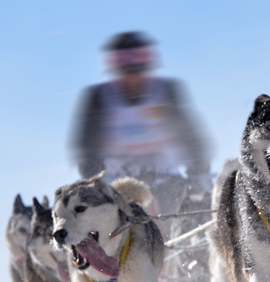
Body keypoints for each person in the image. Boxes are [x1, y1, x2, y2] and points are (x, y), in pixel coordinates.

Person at [69, 31, 211, 213]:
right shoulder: (97, 99)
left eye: (139, 70)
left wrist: (199, 172)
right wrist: (96, 185)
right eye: (126, 72)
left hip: (167, 184)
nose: (133, 77)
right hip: (119, 190)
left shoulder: (166, 91)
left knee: (183, 223)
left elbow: (191, 137)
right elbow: (86, 153)